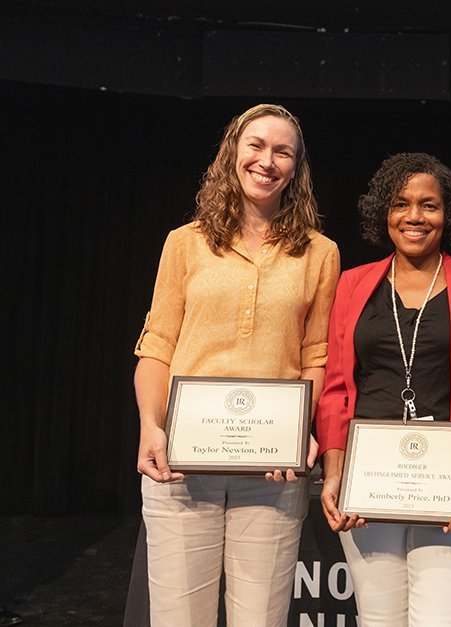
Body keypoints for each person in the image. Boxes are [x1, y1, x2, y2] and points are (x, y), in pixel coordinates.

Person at [133, 103, 339, 626]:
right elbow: (157, 346)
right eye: (256, 145)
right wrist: (150, 428)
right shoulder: (185, 243)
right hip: (182, 464)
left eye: (282, 151)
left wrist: (299, 432)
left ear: (296, 167)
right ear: (233, 152)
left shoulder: (319, 253)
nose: (266, 161)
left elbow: (316, 357)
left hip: (271, 472)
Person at [317, 153, 451, 626]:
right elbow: (338, 389)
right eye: (401, 204)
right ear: (384, 213)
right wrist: (335, 475)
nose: (415, 217)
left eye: (429, 205)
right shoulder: (353, 284)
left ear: (449, 215)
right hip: (369, 486)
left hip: (449, 493)